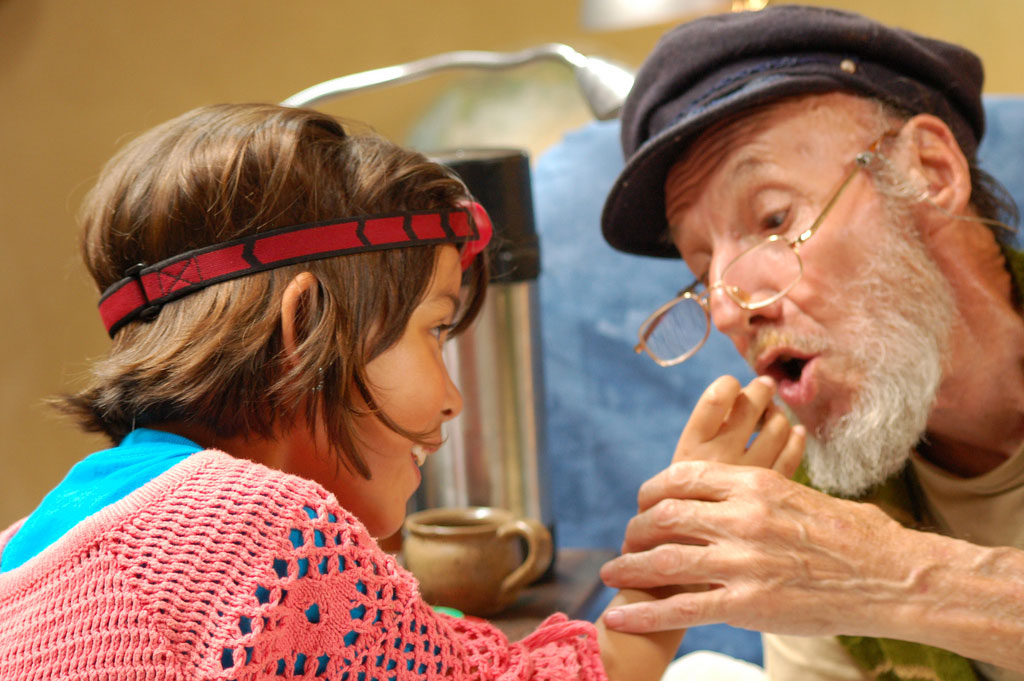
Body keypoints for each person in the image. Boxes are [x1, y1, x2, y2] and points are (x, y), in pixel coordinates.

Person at [0, 102, 803, 680]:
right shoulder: (264, 536)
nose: (454, 398)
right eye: (435, 330)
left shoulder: (28, 544)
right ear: (303, 327)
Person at [595, 4, 1024, 681]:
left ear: (930, 171)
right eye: (700, 270)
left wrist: (894, 578)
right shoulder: (815, 509)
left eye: (772, 218)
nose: (730, 307)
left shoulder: (842, 552)